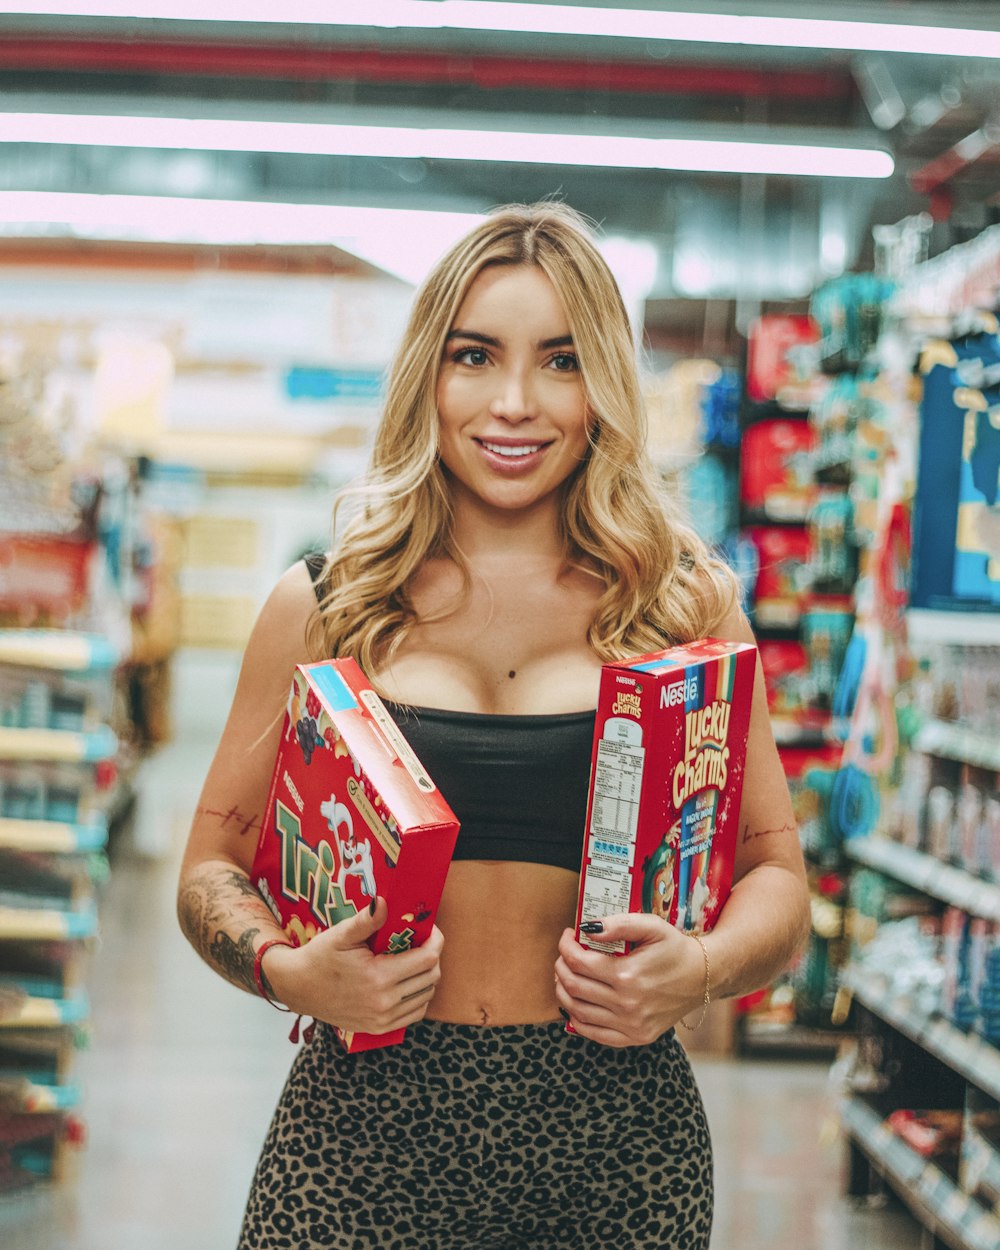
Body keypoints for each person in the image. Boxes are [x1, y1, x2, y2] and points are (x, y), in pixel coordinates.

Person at [177, 201, 810, 1250]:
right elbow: (209, 864)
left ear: (602, 382)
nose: (514, 403)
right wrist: (290, 972)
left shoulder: (684, 609)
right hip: (359, 1134)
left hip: (616, 1144)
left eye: (559, 361)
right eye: (476, 355)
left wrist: (695, 970)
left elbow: (775, 871)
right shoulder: (328, 606)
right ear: (430, 371)